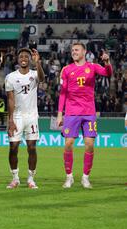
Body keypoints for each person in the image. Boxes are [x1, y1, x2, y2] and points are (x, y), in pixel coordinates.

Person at [56, 42, 112, 189]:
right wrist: (59, 114)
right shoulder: (67, 70)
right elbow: (62, 94)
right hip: (71, 112)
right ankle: (69, 177)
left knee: (89, 144)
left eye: (77, 50)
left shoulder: (92, 67)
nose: (74, 52)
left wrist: (107, 62)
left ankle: (85, 177)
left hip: (88, 112)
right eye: (72, 50)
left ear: (84, 52)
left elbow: (108, 73)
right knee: (68, 144)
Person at [5, 48, 45, 189]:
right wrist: (10, 120)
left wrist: (37, 62)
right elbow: (10, 99)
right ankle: (15, 178)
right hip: (17, 117)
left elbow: (42, 78)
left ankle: (30, 178)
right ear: (17, 59)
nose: (23, 58)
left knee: (31, 147)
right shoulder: (10, 77)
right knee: (13, 147)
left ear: (29, 59)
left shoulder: (34, 74)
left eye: (26, 56)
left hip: (32, 116)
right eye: (21, 56)